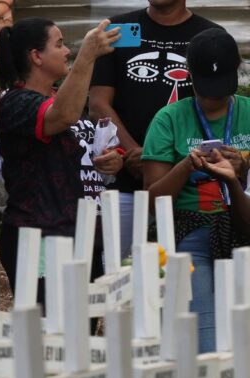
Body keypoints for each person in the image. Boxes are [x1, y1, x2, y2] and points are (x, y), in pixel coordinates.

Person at [143, 28, 250, 378]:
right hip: (191, 231)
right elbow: (153, 200)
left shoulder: (248, 111)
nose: (214, 99)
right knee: (205, 345)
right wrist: (188, 166)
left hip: (242, 230)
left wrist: (238, 177)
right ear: (190, 77)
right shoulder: (169, 118)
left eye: (221, 90)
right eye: (206, 89)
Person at [0, 18, 123, 302]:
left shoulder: (59, 98)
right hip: (37, 237)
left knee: (81, 332)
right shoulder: (16, 102)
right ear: (36, 56)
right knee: (49, 335)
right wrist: (87, 54)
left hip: (78, 232)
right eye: (60, 44)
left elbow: (75, 136)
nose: (67, 52)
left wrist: (110, 162)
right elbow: (61, 116)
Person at [89, 0, 220, 260]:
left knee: (185, 276)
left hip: (189, 190)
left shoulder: (209, 35)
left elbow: (217, 106)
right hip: (124, 183)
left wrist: (166, 162)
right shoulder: (120, 30)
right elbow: (97, 104)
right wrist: (136, 152)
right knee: (116, 274)